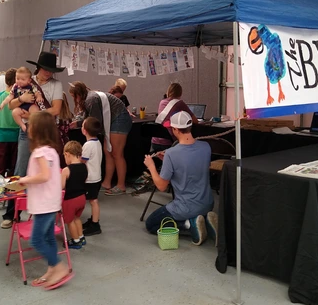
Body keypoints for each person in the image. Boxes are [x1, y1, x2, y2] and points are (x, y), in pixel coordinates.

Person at [2, 52, 64, 229]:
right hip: (27, 130)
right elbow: (12, 104)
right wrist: (22, 99)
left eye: (51, 70)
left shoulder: (56, 84)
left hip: (45, 131)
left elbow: (56, 109)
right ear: (39, 67)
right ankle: (11, 213)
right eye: (46, 69)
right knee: (21, 169)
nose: (49, 73)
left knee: (47, 171)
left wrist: (33, 115)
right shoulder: (26, 80)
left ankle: (45, 211)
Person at [143, 111, 217, 246]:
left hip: (185, 207)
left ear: (175, 130)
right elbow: (195, 166)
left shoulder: (172, 154)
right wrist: (169, 162)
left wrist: (151, 166)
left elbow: (161, 186)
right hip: (207, 202)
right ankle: (204, 219)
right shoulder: (206, 147)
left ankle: (189, 224)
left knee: (151, 224)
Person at [19, 111, 72, 289]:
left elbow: (44, 175)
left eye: (30, 125)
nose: (27, 128)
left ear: (38, 129)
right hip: (49, 202)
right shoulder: (50, 151)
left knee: (37, 240)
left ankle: (58, 266)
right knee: (48, 238)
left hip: (44, 204)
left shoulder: (41, 152)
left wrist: (24, 180)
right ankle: (52, 269)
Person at [69, 81, 132, 196]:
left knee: (117, 153)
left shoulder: (91, 99)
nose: (75, 99)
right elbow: (89, 117)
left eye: (74, 96)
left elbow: (94, 121)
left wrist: (79, 124)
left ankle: (121, 185)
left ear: (78, 94)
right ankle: (106, 183)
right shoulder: (89, 97)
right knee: (108, 151)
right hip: (114, 120)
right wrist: (77, 123)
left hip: (119, 119)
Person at [151, 83, 199, 153]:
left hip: (155, 142)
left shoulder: (162, 102)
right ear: (180, 92)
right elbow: (195, 121)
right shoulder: (180, 103)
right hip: (169, 142)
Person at [0, 67, 45, 132]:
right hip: (20, 107)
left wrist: (39, 97)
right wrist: (3, 103)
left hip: (30, 105)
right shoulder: (15, 86)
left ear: (29, 80)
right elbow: (10, 96)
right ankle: (22, 124)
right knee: (15, 112)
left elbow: (37, 92)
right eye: (17, 79)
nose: (19, 81)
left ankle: (33, 126)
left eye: (23, 79)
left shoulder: (31, 86)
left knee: (35, 110)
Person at [61, 141, 88, 249]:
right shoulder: (84, 167)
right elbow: (84, 180)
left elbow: (61, 186)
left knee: (69, 220)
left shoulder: (66, 170)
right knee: (77, 218)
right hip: (82, 198)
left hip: (70, 200)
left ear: (67, 154)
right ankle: (81, 237)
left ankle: (75, 241)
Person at [80, 117, 104, 236]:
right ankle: (93, 220)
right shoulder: (97, 142)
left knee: (93, 201)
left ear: (84, 131)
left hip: (90, 179)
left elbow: (82, 161)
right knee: (93, 200)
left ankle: (95, 224)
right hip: (96, 177)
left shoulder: (88, 145)